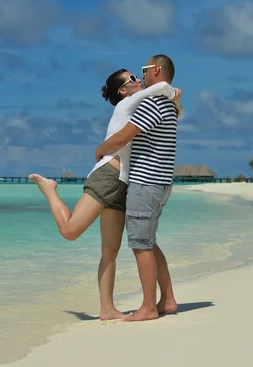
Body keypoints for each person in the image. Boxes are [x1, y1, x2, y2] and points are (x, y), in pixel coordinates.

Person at [28, 68, 181, 321]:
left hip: (124, 184)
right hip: (107, 176)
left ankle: (107, 309)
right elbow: (159, 87)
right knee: (70, 231)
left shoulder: (141, 104)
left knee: (110, 250)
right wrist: (172, 90)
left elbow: (164, 107)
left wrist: (175, 99)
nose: (138, 80)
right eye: (132, 79)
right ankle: (50, 189)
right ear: (123, 91)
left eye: (138, 76)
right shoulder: (126, 105)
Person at [95, 54, 180, 322]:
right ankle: (167, 299)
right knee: (149, 243)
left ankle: (148, 307)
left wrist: (100, 150)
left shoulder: (152, 103)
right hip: (161, 182)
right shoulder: (168, 104)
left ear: (155, 70)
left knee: (141, 246)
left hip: (146, 183)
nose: (142, 76)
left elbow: (124, 136)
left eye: (143, 71)